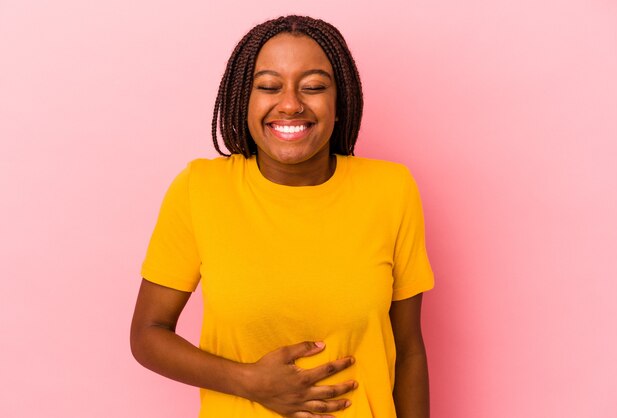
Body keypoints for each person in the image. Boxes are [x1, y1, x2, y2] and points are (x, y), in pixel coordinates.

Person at [131, 15, 434, 418]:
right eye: (270, 86)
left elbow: (409, 347)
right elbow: (147, 334)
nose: (290, 104)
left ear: (339, 103)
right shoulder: (199, 189)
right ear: (244, 99)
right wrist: (248, 382)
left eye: (313, 87)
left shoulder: (392, 190)